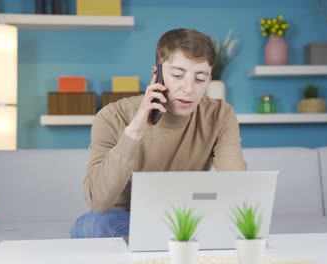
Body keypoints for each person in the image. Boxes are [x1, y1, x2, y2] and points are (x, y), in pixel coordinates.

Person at [70, 28, 246, 238]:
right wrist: (134, 131)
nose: (188, 88)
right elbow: (98, 202)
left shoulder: (220, 115)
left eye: (200, 78)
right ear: (157, 75)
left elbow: (237, 190)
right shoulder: (112, 116)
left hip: (185, 218)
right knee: (89, 225)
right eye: (178, 75)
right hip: (126, 221)